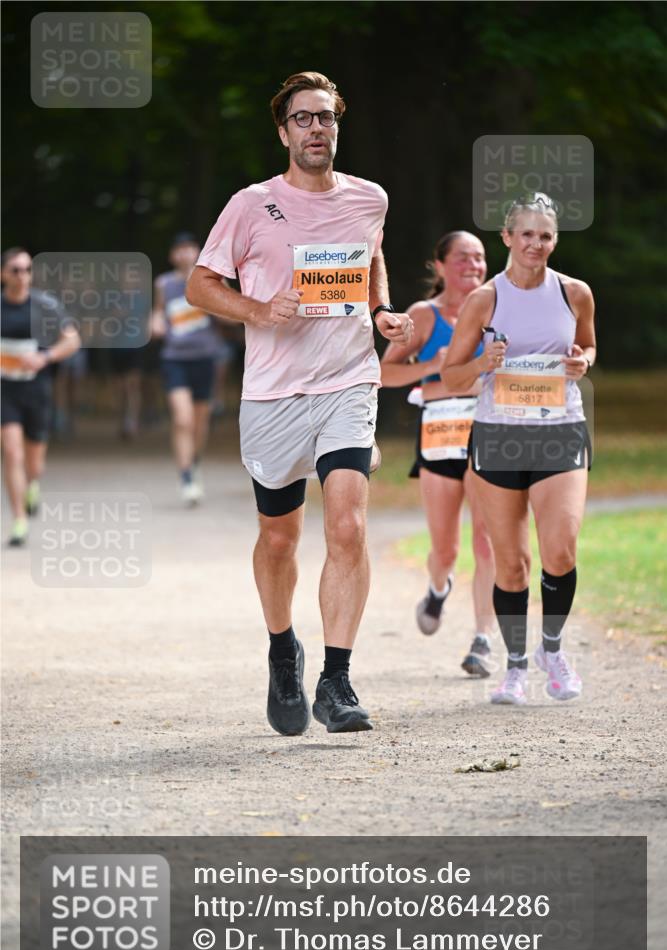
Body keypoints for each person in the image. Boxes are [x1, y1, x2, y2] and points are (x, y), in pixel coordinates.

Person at [186, 71, 412, 734]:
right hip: (273, 393)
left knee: (346, 528)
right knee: (278, 537)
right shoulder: (251, 205)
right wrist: (258, 309)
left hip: (347, 381)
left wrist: (380, 309)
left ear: (337, 126)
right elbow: (201, 284)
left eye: (326, 117)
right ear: (283, 133)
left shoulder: (369, 198)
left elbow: (370, 256)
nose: (317, 129)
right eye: (303, 119)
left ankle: (336, 681)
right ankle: (282, 649)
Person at [441, 194, 596, 705]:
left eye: (545, 235)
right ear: (507, 237)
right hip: (499, 437)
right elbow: (450, 375)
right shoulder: (484, 299)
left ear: (555, 240)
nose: (536, 244)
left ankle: (552, 650)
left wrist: (583, 362)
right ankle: (514, 667)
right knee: (511, 564)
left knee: (561, 550)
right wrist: (483, 363)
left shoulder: (575, 293)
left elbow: (589, 346)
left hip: (560, 431)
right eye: (526, 234)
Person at [380, 232, 495, 676]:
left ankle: (483, 640)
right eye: (462, 257)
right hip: (440, 436)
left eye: (479, 258)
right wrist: (435, 367)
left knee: (486, 540)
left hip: (489, 434)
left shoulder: (498, 309)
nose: (473, 265)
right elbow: (384, 373)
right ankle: (438, 587)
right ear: (441, 265)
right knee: (445, 549)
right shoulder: (423, 316)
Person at [1, 247, 80, 545]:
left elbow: (72, 340)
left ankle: (32, 485)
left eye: (27, 270)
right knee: (12, 453)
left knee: (34, 464)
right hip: (5, 391)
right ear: (3, 274)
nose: (22, 276)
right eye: (15, 270)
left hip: (36, 390)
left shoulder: (45, 305)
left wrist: (45, 357)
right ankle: (19, 520)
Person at [151, 232, 233, 506]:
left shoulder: (213, 280)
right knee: (182, 419)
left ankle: (193, 462)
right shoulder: (163, 283)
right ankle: (186, 475)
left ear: (198, 252)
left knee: (199, 421)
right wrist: (156, 322)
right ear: (172, 255)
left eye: (190, 248)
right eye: (180, 249)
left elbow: (233, 314)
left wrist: (213, 304)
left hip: (205, 358)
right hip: (175, 358)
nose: (185, 253)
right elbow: (159, 311)